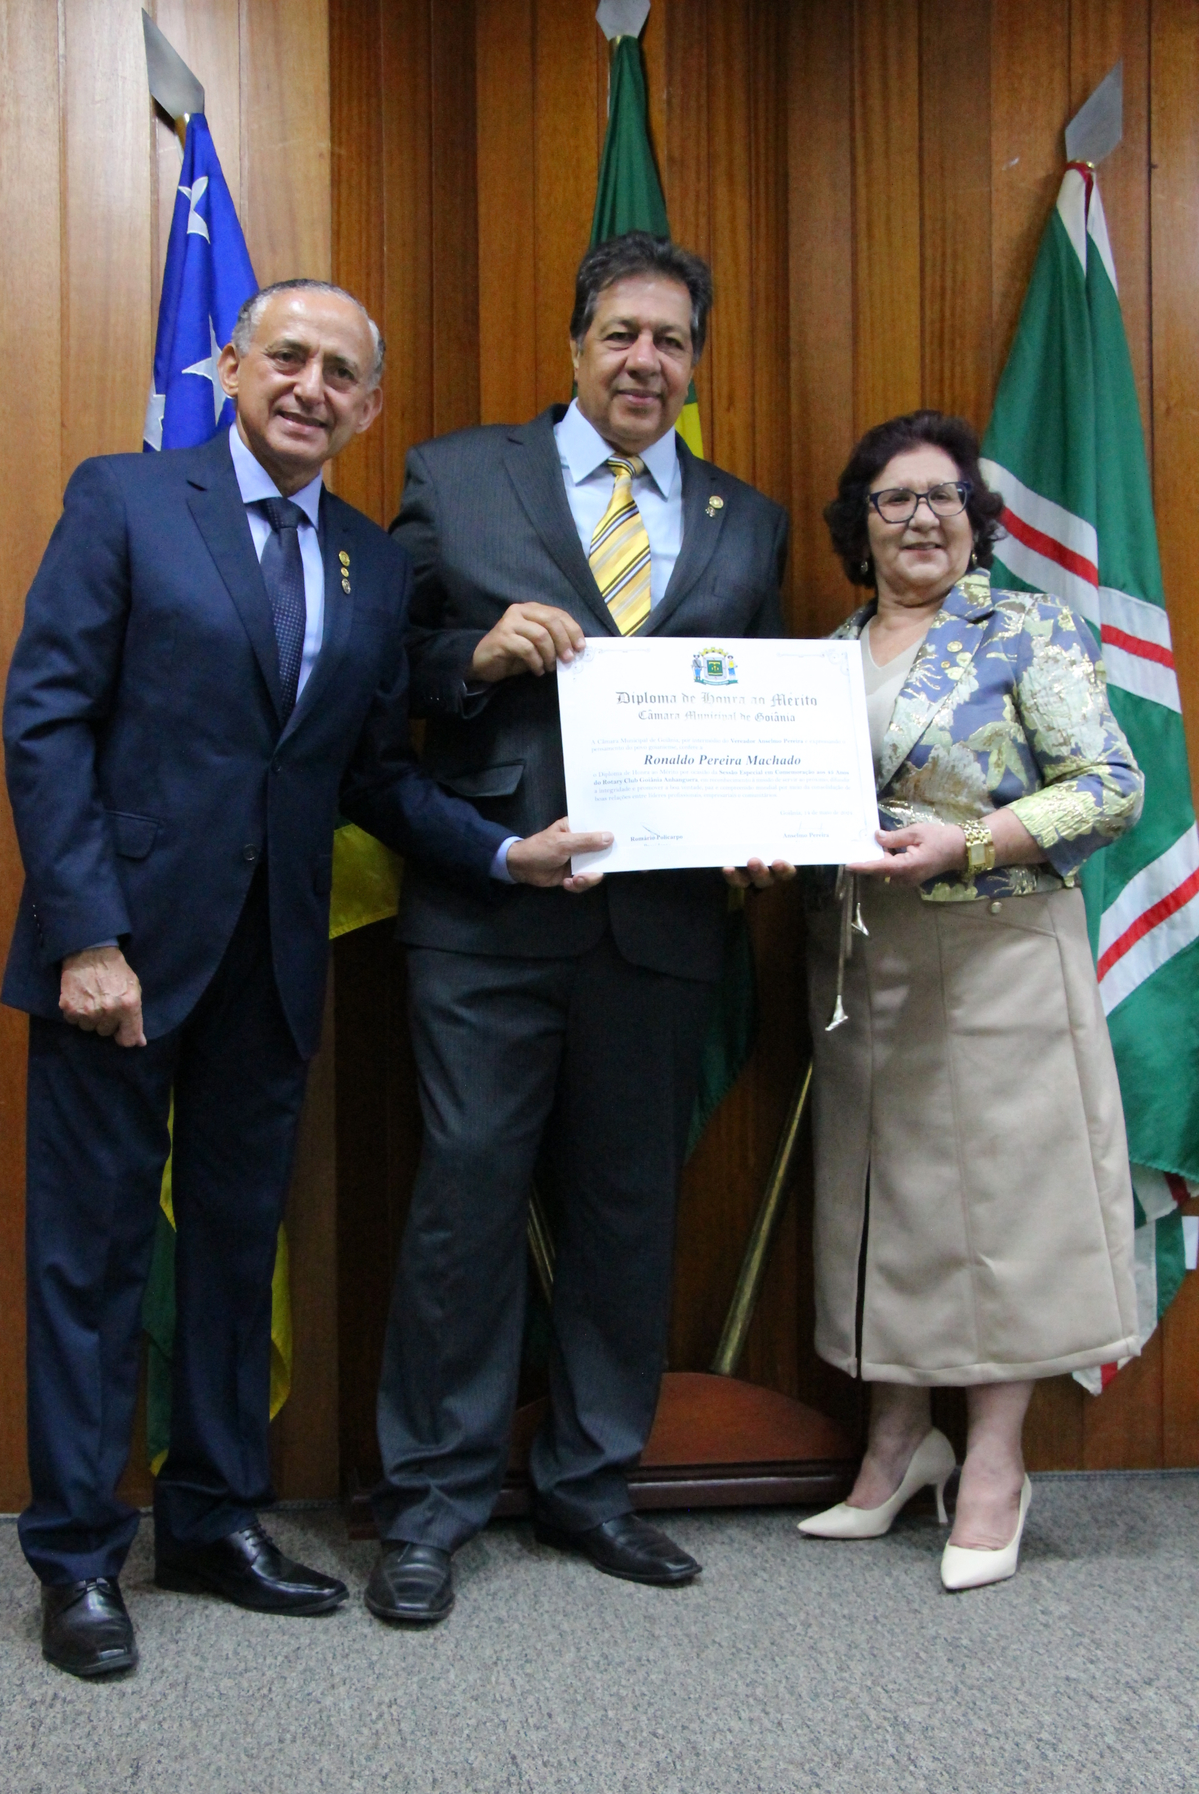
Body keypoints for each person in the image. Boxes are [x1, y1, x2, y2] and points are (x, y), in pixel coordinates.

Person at [2, 279, 606, 1680]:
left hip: (271, 964)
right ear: (232, 366)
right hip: (121, 957)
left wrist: (503, 852)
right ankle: (78, 1555)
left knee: (234, 1250)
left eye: (341, 374)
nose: (310, 388)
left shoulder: (366, 564)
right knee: (92, 1260)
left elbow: (370, 776)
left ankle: (212, 1521)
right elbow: (47, 720)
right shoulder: (125, 499)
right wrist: (85, 936)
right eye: (288, 358)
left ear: (369, 406)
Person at [364, 230, 789, 1626]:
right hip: (488, 910)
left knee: (625, 1213)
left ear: (695, 364)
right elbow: (382, 672)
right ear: (575, 345)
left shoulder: (746, 520)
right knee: (465, 1204)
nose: (644, 361)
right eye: (621, 333)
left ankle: (593, 1486)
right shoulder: (454, 476)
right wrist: (474, 656)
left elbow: (758, 709)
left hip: (661, 923)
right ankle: (428, 1506)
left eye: (671, 340)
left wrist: (765, 825)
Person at [780, 409, 1142, 1589]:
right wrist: (763, 847)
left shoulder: (1025, 628)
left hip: (998, 956)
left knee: (1002, 1213)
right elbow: (805, 805)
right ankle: (896, 1446)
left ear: (976, 520)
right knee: (882, 1203)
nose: (919, 517)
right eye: (893, 499)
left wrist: (968, 842)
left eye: (942, 496)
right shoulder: (826, 656)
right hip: (861, 962)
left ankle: (993, 1464)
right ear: (859, 524)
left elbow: (1109, 787)